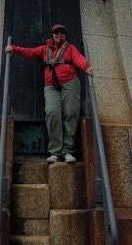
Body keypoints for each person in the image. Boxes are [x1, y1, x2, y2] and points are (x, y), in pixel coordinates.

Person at [5, 24, 93, 163]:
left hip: (70, 83)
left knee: (71, 112)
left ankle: (68, 151)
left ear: (65, 35)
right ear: (52, 35)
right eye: (56, 32)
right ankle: (56, 151)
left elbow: (78, 58)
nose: (59, 35)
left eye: (62, 33)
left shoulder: (70, 48)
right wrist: (14, 49)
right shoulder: (44, 49)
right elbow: (30, 52)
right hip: (51, 86)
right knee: (52, 112)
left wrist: (86, 67)